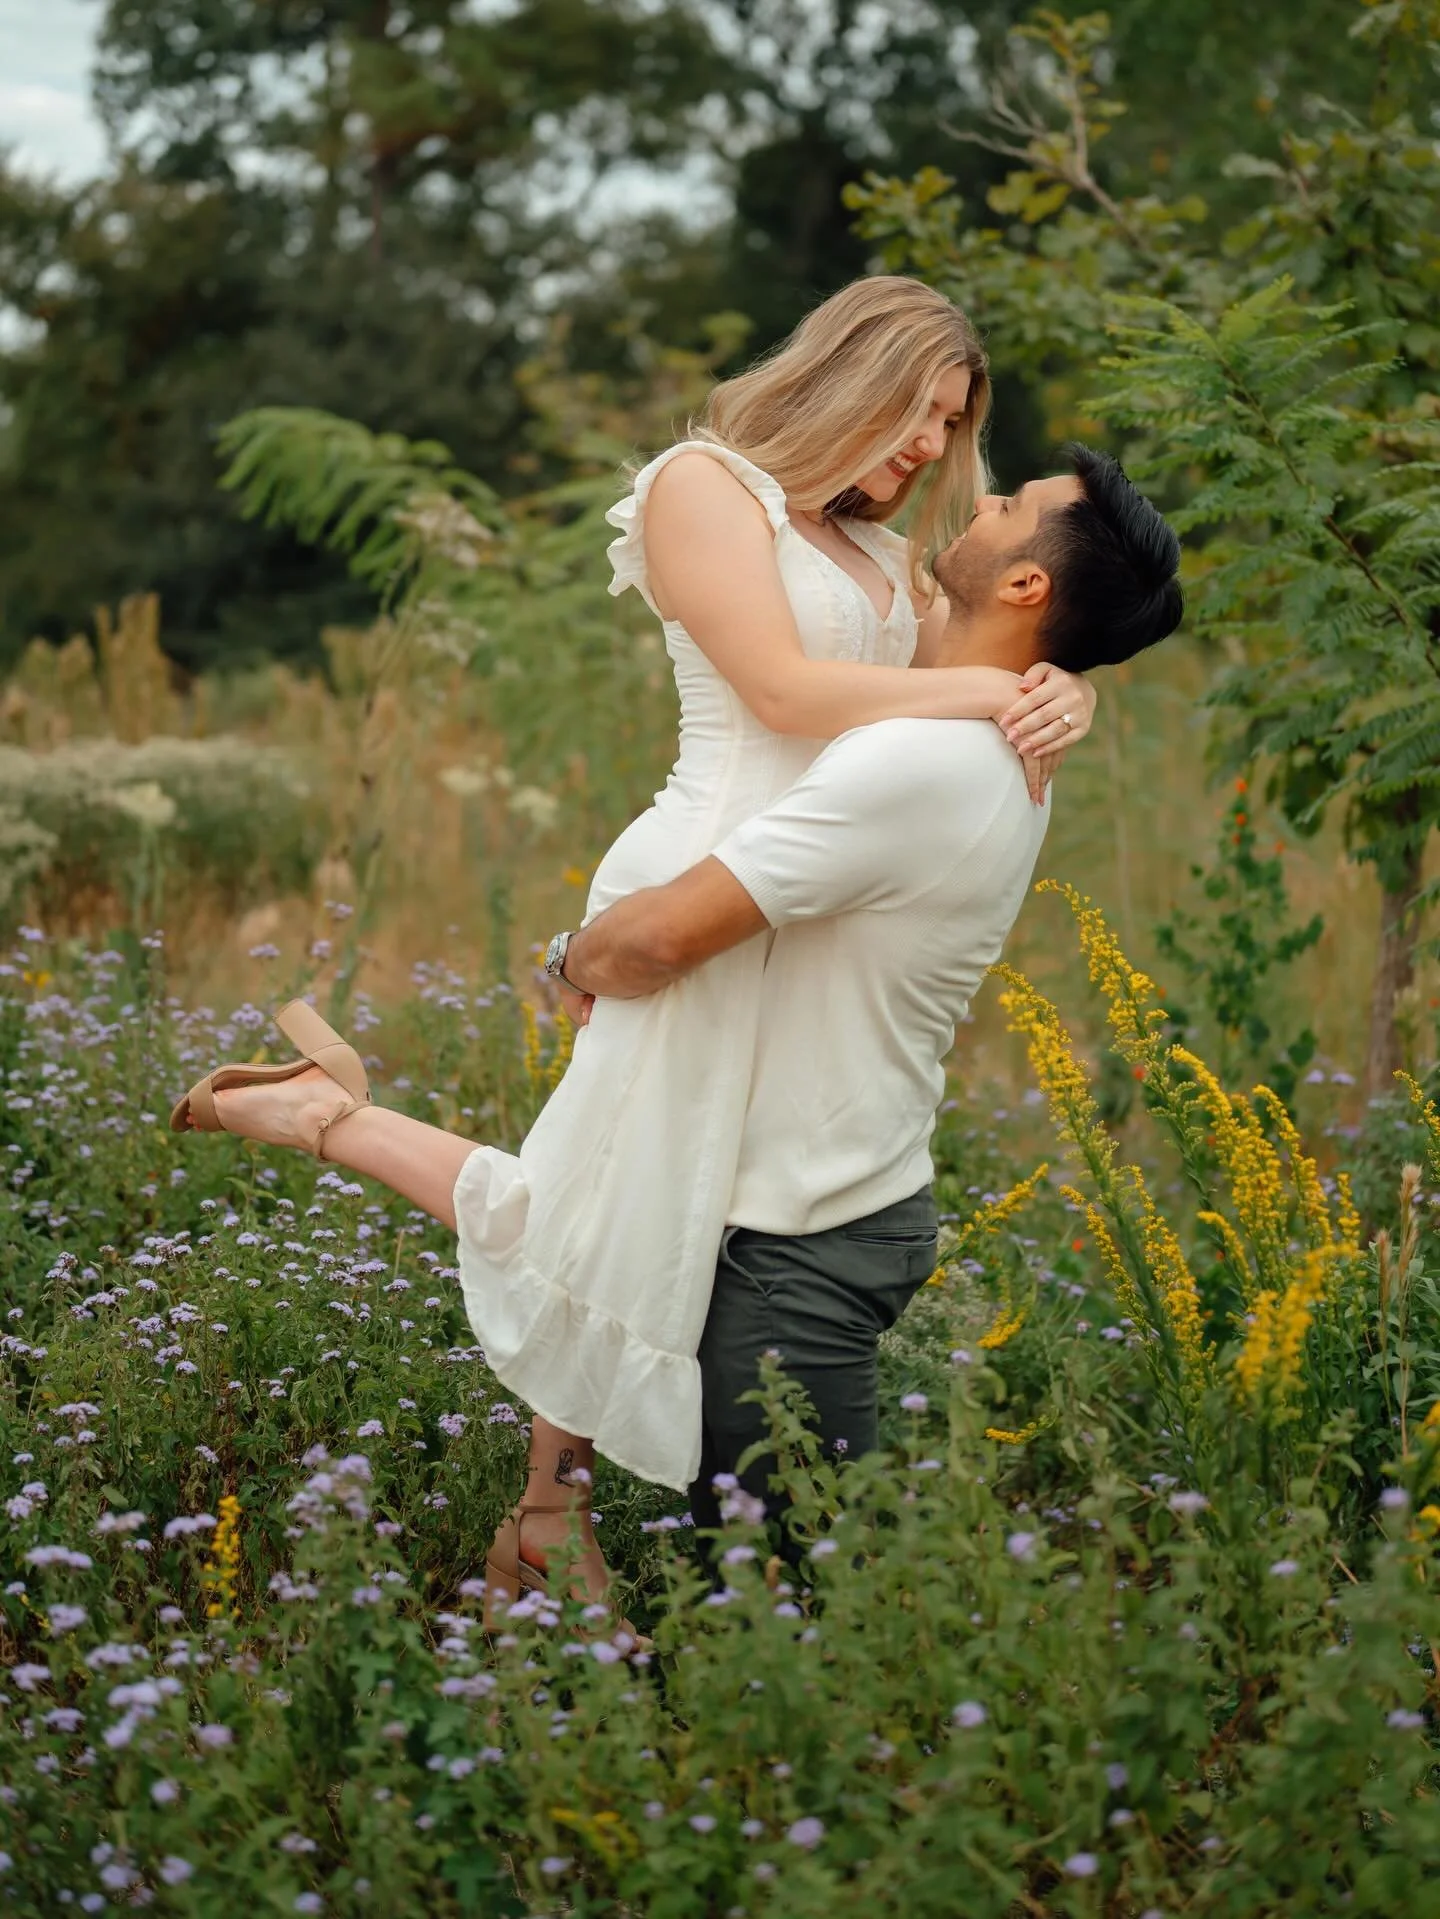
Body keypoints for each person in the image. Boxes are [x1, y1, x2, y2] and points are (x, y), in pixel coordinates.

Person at [170, 277, 1098, 1628]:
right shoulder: (702, 486)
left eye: (951, 434)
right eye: (920, 417)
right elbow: (783, 693)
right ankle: (547, 1496)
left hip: (798, 891)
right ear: (852, 372)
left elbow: (1016, 620)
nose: (927, 456)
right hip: (697, 873)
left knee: (641, 1202)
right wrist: (988, 688)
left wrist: (1061, 682)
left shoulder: (896, 560)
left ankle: (532, 1482)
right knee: (619, 1203)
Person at [552, 444, 1184, 1546]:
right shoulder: (967, 731)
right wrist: (1061, 679)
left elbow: (659, 937)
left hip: (801, 1237)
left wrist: (566, 960)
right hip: (831, 1198)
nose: (973, 497)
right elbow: (919, 647)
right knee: (760, 1580)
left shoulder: (918, 764)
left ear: (1029, 584)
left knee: (787, 1596)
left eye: (1006, 504)